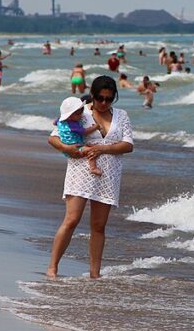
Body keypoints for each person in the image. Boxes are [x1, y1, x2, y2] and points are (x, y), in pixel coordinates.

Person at [46, 75, 134, 279]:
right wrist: (66, 148)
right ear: (92, 96)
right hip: (81, 171)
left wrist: (103, 149)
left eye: (109, 99)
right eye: (100, 98)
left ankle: (95, 273)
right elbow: (53, 137)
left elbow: (128, 145)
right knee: (72, 219)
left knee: (98, 225)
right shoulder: (80, 112)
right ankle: (52, 268)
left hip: (108, 174)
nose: (104, 103)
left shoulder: (122, 116)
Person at [56, 96, 103, 176]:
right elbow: (84, 132)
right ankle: (93, 168)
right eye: (78, 113)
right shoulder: (73, 125)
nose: (81, 114)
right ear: (70, 116)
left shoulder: (60, 120)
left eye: (82, 111)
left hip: (67, 146)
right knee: (92, 151)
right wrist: (95, 127)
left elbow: (55, 122)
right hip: (75, 148)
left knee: (89, 146)